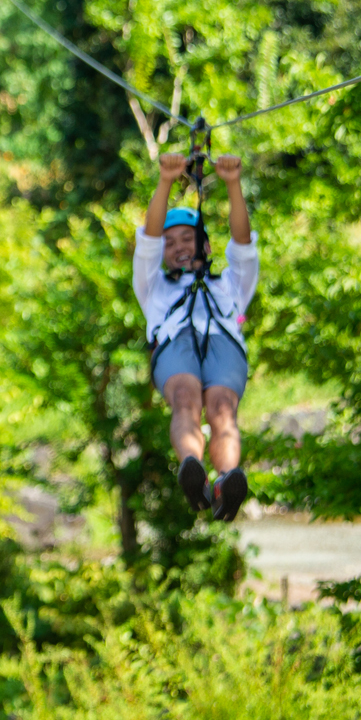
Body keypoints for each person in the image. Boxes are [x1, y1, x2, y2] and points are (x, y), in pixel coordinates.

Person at [136, 150, 258, 521]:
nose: (177, 248)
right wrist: (166, 180)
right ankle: (194, 468)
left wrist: (232, 184)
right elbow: (148, 242)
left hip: (223, 342)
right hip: (176, 342)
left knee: (222, 408)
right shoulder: (154, 287)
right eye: (170, 244)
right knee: (186, 398)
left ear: (204, 245)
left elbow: (242, 243)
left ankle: (226, 481)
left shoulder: (231, 285)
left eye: (187, 239)